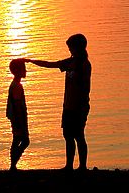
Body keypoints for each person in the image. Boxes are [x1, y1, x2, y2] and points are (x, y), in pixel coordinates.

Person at [25, 33, 91, 171]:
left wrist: (81, 106)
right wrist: (31, 61)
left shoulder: (84, 64)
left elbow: (83, 88)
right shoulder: (70, 62)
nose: (70, 50)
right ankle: (69, 165)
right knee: (68, 135)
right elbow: (51, 65)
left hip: (79, 106)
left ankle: (83, 166)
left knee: (79, 135)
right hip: (68, 106)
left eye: (71, 48)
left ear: (78, 47)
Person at [6, 58, 30, 171]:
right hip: (18, 119)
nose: (26, 71)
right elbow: (16, 106)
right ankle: (13, 164)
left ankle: (13, 165)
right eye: (23, 69)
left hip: (17, 118)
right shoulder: (16, 86)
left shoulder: (16, 84)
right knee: (23, 140)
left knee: (18, 139)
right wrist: (21, 122)